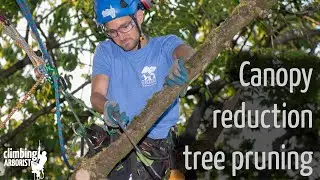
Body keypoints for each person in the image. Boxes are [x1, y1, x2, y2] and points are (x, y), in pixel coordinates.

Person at [91, 0, 194, 179]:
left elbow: (186, 52)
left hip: (160, 149)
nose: (121, 36)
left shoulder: (164, 46)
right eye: (112, 31)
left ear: (139, 17)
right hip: (121, 143)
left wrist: (182, 63)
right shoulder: (106, 51)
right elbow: (96, 95)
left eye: (125, 26)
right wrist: (106, 107)